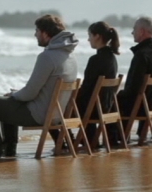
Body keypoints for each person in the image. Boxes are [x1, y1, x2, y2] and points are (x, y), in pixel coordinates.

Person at [0, 15, 78, 158]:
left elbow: (29, 94)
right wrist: (15, 95)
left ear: (45, 34)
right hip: (56, 115)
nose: (35, 34)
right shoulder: (70, 57)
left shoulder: (47, 57)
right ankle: (9, 152)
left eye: (37, 31)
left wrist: (15, 94)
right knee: (7, 103)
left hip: (38, 114)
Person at [51, 21, 120, 149]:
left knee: (54, 107)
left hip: (92, 108)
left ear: (97, 36)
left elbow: (87, 89)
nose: (88, 40)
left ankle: (66, 140)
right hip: (106, 106)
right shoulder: (112, 58)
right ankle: (80, 139)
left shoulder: (95, 60)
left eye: (90, 36)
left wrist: (70, 94)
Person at [112, 16, 152, 143]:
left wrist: (118, 95)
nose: (132, 33)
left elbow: (134, 88)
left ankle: (115, 139)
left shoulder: (141, 55)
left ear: (142, 31)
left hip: (140, 106)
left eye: (134, 29)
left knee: (112, 102)